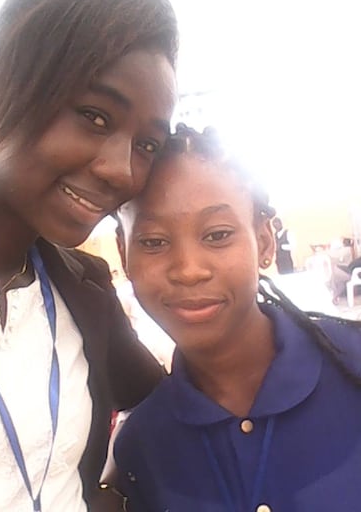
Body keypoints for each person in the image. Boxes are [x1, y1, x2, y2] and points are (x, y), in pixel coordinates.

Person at [0, 0, 178, 511]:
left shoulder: (82, 289)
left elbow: (173, 406)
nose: (123, 171)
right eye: (95, 116)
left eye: (146, 145)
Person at [114, 126, 361, 512]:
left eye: (217, 235)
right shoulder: (143, 446)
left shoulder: (352, 367)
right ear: (123, 253)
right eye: (153, 242)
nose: (188, 270)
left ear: (263, 241)